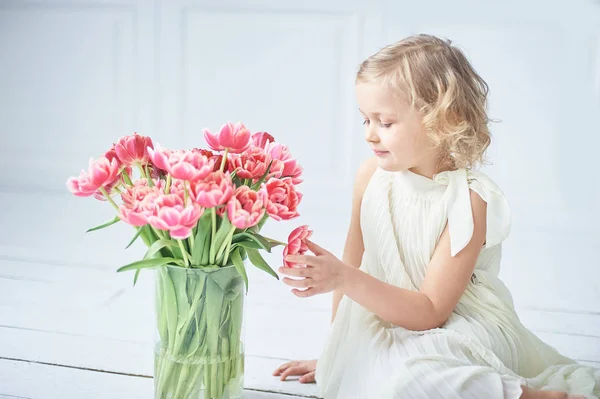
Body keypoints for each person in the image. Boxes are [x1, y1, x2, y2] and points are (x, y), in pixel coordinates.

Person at [272, 34, 600, 399]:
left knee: (415, 377)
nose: (369, 135)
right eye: (366, 119)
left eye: (385, 122)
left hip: (460, 327)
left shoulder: (470, 198)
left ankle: (529, 395)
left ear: (444, 120)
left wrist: (344, 278)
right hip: (385, 317)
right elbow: (353, 261)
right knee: (375, 381)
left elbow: (431, 312)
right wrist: (335, 354)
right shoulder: (370, 177)